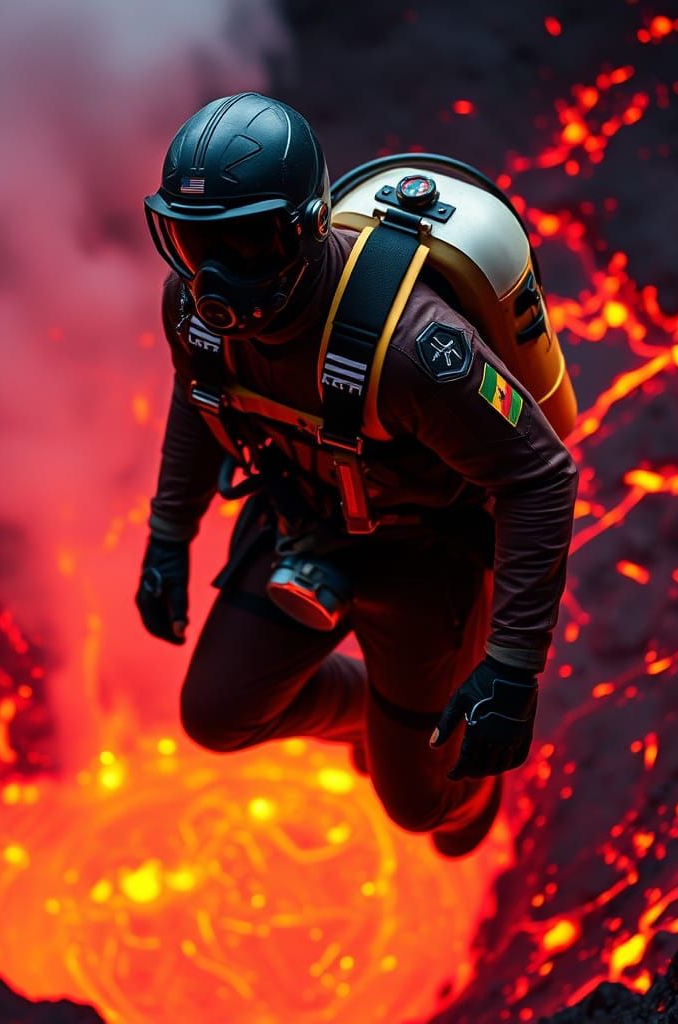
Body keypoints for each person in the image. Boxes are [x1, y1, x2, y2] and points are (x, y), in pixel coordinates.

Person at [137, 92, 578, 856]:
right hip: (301, 522)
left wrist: (511, 670)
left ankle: (450, 781)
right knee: (214, 714)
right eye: (189, 242)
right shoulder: (193, 313)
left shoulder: (415, 351)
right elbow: (198, 392)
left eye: (242, 243)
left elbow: (538, 476)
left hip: (421, 559)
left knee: (421, 808)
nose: (214, 281)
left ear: (304, 229)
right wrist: (168, 536)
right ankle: (380, 717)